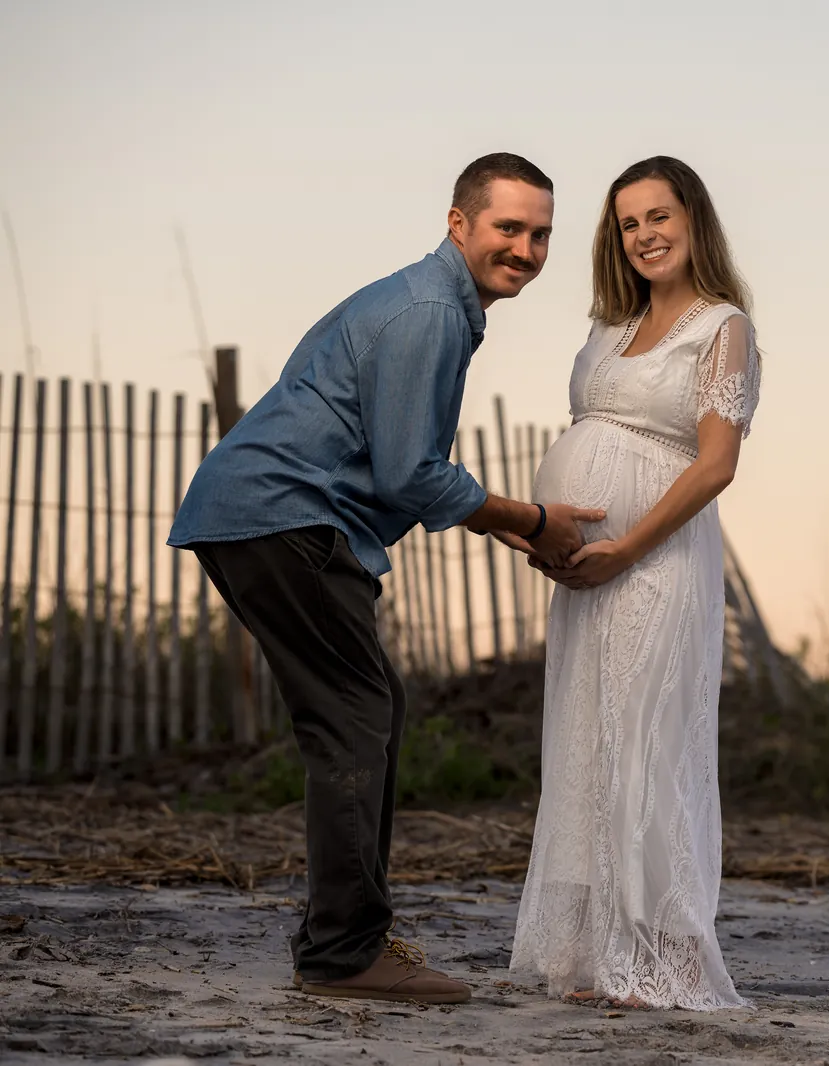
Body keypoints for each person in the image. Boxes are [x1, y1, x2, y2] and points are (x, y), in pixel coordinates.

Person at [168, 152, 603, 1005]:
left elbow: (403, 470)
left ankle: (340, 939)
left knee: (365, 713)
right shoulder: (429, 312)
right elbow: (411, 474)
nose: (525, 248)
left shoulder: (438, 305)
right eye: (508, 227)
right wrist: (533, 522)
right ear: (459, 224)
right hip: (285, 517)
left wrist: (514, 525)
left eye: (540, 233)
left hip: (271, 518)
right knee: (356, 718)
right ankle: (341, 956)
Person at [508, 156, 762, 1010]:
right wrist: (555, 535)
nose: (645, 235)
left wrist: (626, 547)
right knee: (588, 744)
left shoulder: (721, 326)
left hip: (659, 563)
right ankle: (602, 953)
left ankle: (670, 957)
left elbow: (716, 464)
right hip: (589, 574)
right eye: (628, 223)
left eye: (660, 216)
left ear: (693, 221)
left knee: (650, 745)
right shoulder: (610, 326)